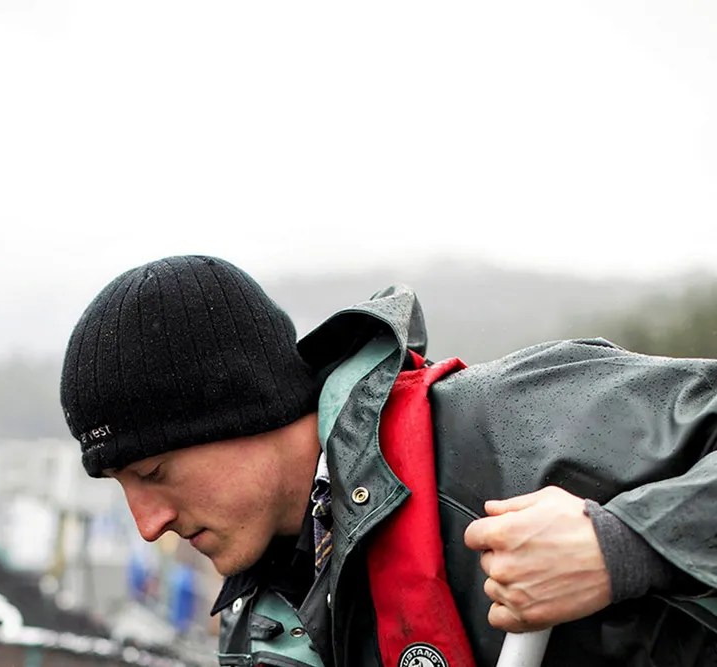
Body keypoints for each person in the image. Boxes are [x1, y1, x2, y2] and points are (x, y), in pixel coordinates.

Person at [59, 255, 717, 667]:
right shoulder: (254, 631)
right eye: (121, 486)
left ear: (245, 412)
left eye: (154, 474)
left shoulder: (506, 424)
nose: (146, 523)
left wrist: (626, 545)